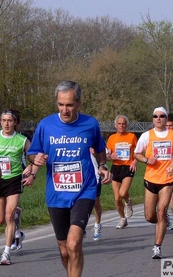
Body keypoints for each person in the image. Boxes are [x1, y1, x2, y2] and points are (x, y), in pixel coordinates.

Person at [27, 80, 111, 276]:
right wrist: (36, 158)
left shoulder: (90, 124)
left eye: (70, 105)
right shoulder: (46, 125)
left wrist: (103, 166)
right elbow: (33, 152)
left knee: (74, 243)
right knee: (64, 249)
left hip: (84, 190)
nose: (65, 109)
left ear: (79, 104)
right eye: (61, 104)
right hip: (56, 192)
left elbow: (100, 149)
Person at [134, 107, 173, 259]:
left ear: (166, 119)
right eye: (155, 116)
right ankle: (164, 220)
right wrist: (146, 160)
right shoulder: (147, 135)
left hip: (167, 179)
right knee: (150, 216)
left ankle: (157, 247)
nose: (158, 118)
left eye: (162, 116)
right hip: (151, 178)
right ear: (153, 119)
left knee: (161, 210)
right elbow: (137, 153)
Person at [0, 109, 38, 265]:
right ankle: (17, 218)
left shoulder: (22, 140)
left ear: (15, 123)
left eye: (10, 120)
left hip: (14, 180)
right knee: (1, 219)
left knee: (8, 216)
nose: (7, 123)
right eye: (4, 120)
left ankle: (6, 253)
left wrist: (31, 170)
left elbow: (35, 158)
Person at [106, 115, 138, 229]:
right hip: (116, 167)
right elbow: (107, 155)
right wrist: (111, 156)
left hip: (128, 167)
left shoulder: (132, 136)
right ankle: (122, 219)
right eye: (119, 124)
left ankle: (128, 201)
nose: (121, 126)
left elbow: (138, 152)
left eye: (123, 123)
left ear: (127, 125)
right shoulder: (111, 138)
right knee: (116, 198)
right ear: (115, 125)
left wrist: (135, 161)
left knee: (123, 193)